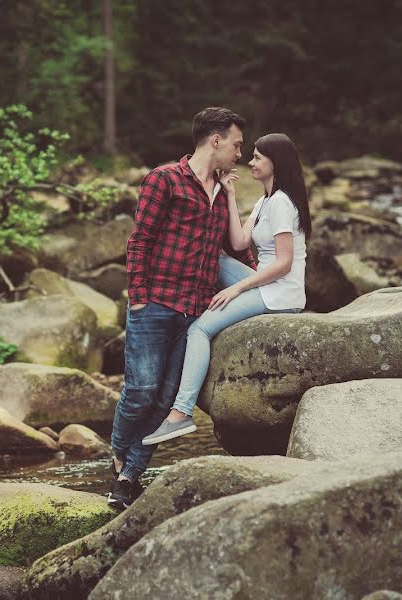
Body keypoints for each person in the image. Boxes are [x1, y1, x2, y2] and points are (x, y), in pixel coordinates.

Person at [108, 107, 255, 509]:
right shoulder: (164, 179)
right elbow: (140, 240)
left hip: (195, 311)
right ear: (216, 140)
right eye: (237, 144)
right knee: (140, 392)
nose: (240, 153)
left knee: (164, 400)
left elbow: (230, 248)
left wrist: (263, 280)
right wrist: (138, 296)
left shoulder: (223, 191)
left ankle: (126, 479)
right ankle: (118, 452)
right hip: (154, 302)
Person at [142, 132, 312, 446]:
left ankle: (181, 414)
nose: (251, 161)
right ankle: (182, 301)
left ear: (276, 163)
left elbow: (284, 263)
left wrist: (237, 290)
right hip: (268, 283)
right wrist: (230, 197)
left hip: (280, 292)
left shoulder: (282, 205)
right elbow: (237, 243)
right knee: (216, 257)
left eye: (258, 157)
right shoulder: (265, 201)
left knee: (200, 330)